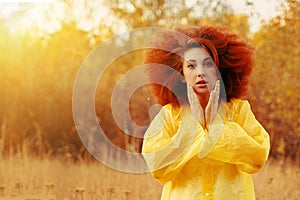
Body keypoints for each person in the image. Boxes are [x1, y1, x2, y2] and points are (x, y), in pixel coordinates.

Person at [141, 26, 270, 200]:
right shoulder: (170, 115)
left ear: (218, 71)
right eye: (191, 66)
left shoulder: (239, 110)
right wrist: (193, 127)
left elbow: (257, 156)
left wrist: (214, 126)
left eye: (208, 64)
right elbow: (157, 167)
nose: (200, 72)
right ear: (182, 74)